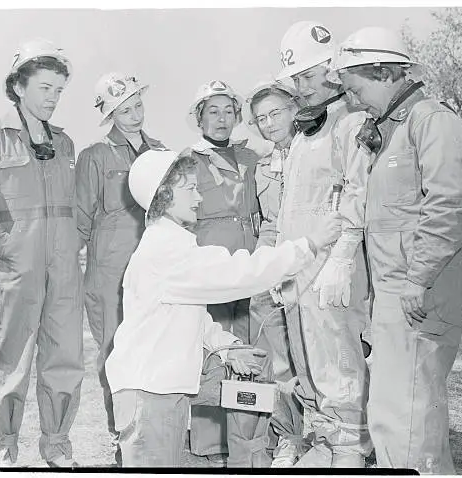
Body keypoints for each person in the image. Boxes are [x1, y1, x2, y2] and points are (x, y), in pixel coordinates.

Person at [104, 149, 344, 467]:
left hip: (157, 391)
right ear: (164, 193)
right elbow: (240, 274)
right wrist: (308, 245)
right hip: (149, 395)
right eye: (189, 187)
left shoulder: (171, 246)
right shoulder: (165, 251)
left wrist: (227, 348)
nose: (199, 196)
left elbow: (192, 316)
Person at [328, 26, 462, 473]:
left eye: (354, 89)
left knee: (408, 413)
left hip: (419, 289)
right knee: (395, 409)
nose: (352, 101)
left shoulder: (431, 120)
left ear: (382, 71)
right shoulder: (388, 130)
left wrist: (417, 279)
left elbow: (451, 202)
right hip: (396, 292)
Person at [0, 39, 83, 468]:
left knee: (64, 359)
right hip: (20, 268)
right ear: (18, 86)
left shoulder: (65, 144)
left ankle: (57, 444)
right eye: (46, 87)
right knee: (11, 361)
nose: (53, 97)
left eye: (59, 91)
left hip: (65, 269)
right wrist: (9, 249)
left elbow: (77, 208)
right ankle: (2, 450)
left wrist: (71, 247)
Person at [272, 21, 373, 467]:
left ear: (332, 70)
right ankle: (326, 438)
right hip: (300, 265)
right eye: (296, 79)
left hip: (331, 268)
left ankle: (352, 446)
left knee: (339, 354)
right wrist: (280, 262)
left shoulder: (350, 123)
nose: (302, 87)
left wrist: (345, 258)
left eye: (309, 77)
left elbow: (357, 191)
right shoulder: (303, 131)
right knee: (307, 356)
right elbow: (291, 206)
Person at [75, 72, 166, 463]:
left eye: (137, 106)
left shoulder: (161, 151)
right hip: (109, 271)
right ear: (110, 114)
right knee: (115, 352)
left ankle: (155, 431)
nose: (134, 115)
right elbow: (79, 218)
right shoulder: (94, 156)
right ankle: (121, 435)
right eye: (123, 110)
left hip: (154, 266)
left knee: (157, 347)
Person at [179, 80, 263, 466]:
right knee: (215, 351)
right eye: (213, 111)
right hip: (210, 264)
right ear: (199, 117)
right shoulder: (187, 159)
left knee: (247, 348)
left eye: (229, 111)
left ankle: (247, 441)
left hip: (249, 265)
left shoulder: (252, 157)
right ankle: (212, 445)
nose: (222, 119)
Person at [241, 78, 307, 467]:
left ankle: (334, 436)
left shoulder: (314, 151)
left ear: (294, 109)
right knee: (275, 360)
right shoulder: (262, 167)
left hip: (309, 266)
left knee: (316, 358)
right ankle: (289, 437)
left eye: (275, 113)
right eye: (260, 118)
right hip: (272, 270)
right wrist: (264, 269)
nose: (268, 123)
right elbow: (266, 223)